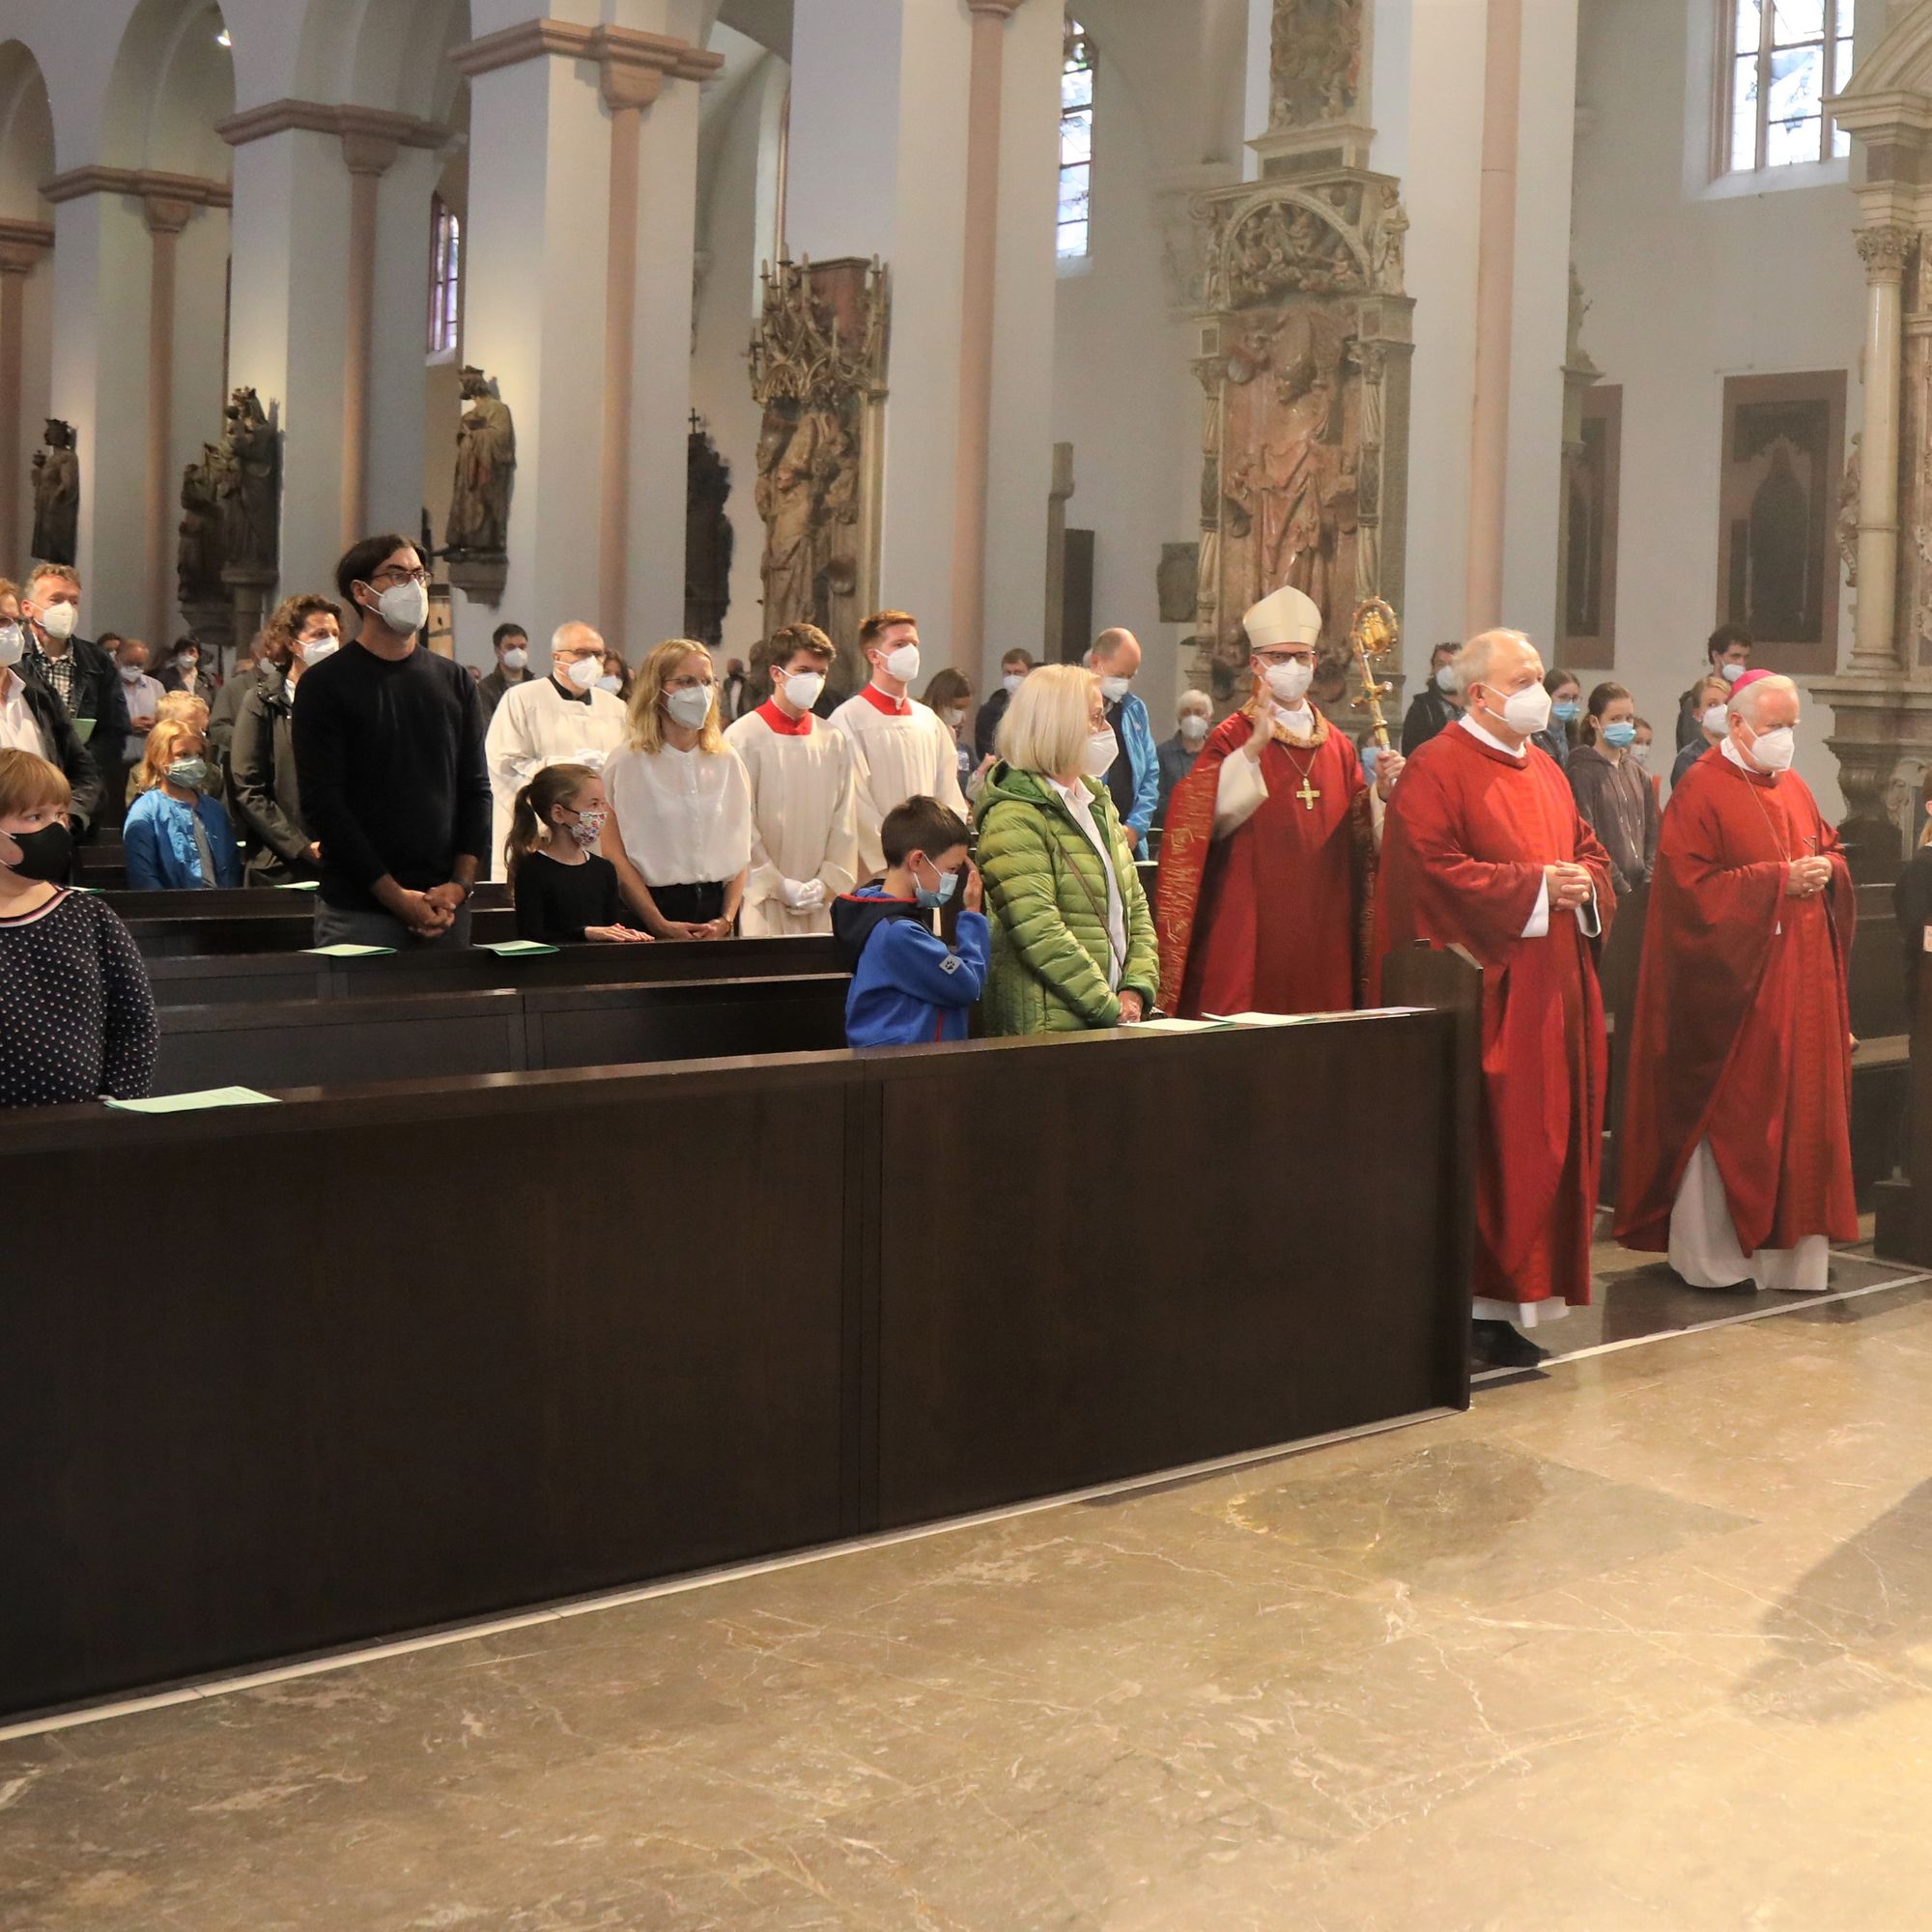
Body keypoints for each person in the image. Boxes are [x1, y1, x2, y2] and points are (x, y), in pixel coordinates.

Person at [1374, 628, 1614, 1369]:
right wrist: (1537, 888)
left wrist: (1584, 886)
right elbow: (1429, 874)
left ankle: (1515, 1304)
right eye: (1526, 678)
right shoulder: (1436, 768)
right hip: (1487, 992)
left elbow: (1590, 851)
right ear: (1479, 694)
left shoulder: (1545, 768)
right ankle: (1469, 1303)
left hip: (1555, 989)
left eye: (1541, 676)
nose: (1540, 691)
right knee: (1493, 1148)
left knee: (1543, 1149)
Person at [1615, 671, 1855, 1293]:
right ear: (1738, 723)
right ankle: (1718, 1257)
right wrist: (1777, 882)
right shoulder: (1701, 791)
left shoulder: (1796, 787)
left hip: (1800, 989)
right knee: (1739, 1112)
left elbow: (1830, 849)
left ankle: (1789, 1261)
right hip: (1734, 999)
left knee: (1798, 1117)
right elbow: (1688, 894)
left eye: (1793, 726)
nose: (1787, 739)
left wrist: (1826, 869)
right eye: (1776, 727)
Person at [1158, 585, 1404, 1018]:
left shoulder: (1338, 747)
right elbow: (1194, 821)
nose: (1293, 666)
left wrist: (1381, 792)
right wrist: (1252, 751)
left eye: (1302, 657)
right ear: (1256, 664)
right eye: (1279, 657)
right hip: (1252, 921)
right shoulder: (1231, 736)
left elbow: (1359, 835)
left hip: (1323, 921)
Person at [292, 533, 492, 949]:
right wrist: (394, 896)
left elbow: (476, 790)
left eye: (419, 575)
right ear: (361, 592)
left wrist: (460, 885)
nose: (414, 587)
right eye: (398, 575)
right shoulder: (325, 685)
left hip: (446, 905)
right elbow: (324, 805)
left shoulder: (455, 681)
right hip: (360, 909)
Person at [976, 663, 1159, 1034]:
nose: (1106, 729)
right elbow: (1039, 929)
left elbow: (1134, 906)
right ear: (1057, 726)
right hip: (1050, 1024)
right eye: (1094, 718)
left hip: (1112, 1016)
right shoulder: (1014, 815)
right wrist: (1108, 1005)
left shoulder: (1097, 802)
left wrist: (1136, 988)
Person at [0, 748, 157, 1107]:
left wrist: (115, 1100)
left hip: (80, 1127)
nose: (54, 829)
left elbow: (134, 1022)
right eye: (35, 816)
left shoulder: (88, 917)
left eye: (60, 815)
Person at [602, 637, 753, 939]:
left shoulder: (726, 758)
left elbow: (739, 847)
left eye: (707, 681)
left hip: (714, 913)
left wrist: (727, 918)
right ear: (656, 690)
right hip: (649, 910)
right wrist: (657, 922)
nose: (700, 691)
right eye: (685, 681)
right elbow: (614, 853)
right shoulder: (627, 761)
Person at [724, 622, 859, 937]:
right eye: (803, 670)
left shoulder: (833, 740)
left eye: (821, 673)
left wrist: (826, 882)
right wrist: (776, 883)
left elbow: (845, 820)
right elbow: (739, 822)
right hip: (765, 900)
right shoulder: (743, 738)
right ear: (776, 674)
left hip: (819, 900)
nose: (813, 681)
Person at [833, 796, 988, 1046]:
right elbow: (968, 985)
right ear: (917, 861)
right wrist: (972, 914)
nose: (954, 880)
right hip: (908, 1068)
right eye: (951, 869)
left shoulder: (876, 912)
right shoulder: (899, 934)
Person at [830, 610, 969, 881]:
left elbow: (948, 792)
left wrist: (939, 852)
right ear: (874, 656)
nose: (911, 652)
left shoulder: (928, 720)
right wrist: (895, 860)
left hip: (929, 867)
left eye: (914, 644)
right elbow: (855, 802)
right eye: (899, 645)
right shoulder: (848, 721)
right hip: (876, 871)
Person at [483, 621, 629, 880]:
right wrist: (564, 769)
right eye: (583, 653)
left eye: (598, 654)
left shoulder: (616, 708)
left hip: (599, 841)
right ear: (556, 657)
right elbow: (504, 765)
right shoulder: (522, 699)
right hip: (541, 837)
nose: (593, 661)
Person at [231, 593, 338, 884]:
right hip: (280, 863)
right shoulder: (262, 701)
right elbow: (249, 788)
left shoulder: (347, 699)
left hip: (342, 858)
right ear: (292, 643)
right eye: (319, 634)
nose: (330, 642)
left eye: (334, 634)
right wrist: (300, 845)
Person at [0, 582, 100, 845]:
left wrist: (67, 818)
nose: (11, 632)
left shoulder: (38, 694)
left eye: (16, 622)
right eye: (1, 621)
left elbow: (84, 771)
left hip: (42, 855)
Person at [506, 762, 649, 947]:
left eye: (603, 804)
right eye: (594, 804)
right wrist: (585, 933)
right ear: (559, 813)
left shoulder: (603, 869)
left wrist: (625, 934)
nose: (601, 814)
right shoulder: (533, 870)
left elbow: (611, 928)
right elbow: (531, 937)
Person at [20, 561, 128, 789]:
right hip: (21, 783)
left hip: (78, 788)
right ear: (28, 608)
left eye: (73, 601)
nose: (66, 608)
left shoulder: (97, 661)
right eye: (56, 599)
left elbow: (114, 731)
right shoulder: (15, 659)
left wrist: (76, 769)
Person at [124, 720, 242, 890]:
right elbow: (143, 875)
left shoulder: (214, 809)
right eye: (183, 755)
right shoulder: (146, 811)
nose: (193, 761)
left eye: (198, 755)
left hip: (220, 904)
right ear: (159, 758)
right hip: (172, 908)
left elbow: (230, 865)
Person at [1566, 680, 1658, 899]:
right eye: (1615, 719)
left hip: (1641, 889)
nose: (1624, 725)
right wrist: (1617, 882)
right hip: (1605, 889)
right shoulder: (1581, 772)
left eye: (1628, 718)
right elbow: (1587, 835)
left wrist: (1649, 878)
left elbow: (1652, 832)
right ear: (1595, 721)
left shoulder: (1638, 773)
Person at [1085, 627, 1158, 855]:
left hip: (1130, 839)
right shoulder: (1074, 707)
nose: (1124, 684)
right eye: (1119, 676)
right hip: (1089, 834)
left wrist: (1136, 827)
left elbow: (1150, 773)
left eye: (1130, 677)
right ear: (1096, 662)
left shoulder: (1135, 709)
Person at [1675, 624, 1752, 752]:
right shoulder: (1696, 700)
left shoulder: (1742, 699)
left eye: (1745, 657)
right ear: (1716, 656)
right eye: (1735, 656)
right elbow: (1694, 748)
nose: (1741, 663)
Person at [205, 629, 264, 780]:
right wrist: (246, 739)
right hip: (242, 766)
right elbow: (217, 726)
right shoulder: (234, 688)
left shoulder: (287, 685)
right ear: (257, 654)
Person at [113, 639, 163, 810]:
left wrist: (155, 724)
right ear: (117, 659)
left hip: (147, 764)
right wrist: (126, 725)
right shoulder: (108, 686)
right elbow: (99, 720)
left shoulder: (155, 686)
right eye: (129, 663)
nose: (134, 668)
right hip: (117, 762)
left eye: (139, 664)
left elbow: (167, 720)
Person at [1156, 689, 1212, 822]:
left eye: (1199, 713)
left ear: (1209, 718)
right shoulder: (1162, 754)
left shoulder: (1217, 754)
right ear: (1179, 718)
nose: (1193, 718)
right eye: (1186, 713)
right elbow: (1154, 799)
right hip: (1171, 831)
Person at [1401, 641, 1465, 753]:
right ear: (1433, 668)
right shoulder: (1421, 707)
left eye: (1453, 664)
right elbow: (1411, 753)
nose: (1447, 670)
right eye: (1441, 664)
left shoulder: (1474, 707)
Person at [1670, 673, 1732, 790]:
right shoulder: (1689, 759)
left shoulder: (1742, 754)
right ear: (1697, 714)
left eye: (1727, 703)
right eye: (1712, 704)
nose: (1722, 710)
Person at [923, 667, 977, 795]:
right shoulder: (922, 729)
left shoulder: (952, 736)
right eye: (958, 708)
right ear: (940, 701)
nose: (963, 717)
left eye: (965, 708)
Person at [974, 647, 1033, 762]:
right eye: (1008, 673)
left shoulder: (1037, 708)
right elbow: (985, 749)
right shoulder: (990, 710)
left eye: (1018, 672)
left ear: (1029, 673)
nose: (1012, 678)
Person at [476, 623, 532, 724]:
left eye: (522, 647)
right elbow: (487, 728)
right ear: (498, 651)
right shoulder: (485, 689)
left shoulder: (535, 685)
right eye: (510, 647)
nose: (518, 652)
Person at [1533, 667, 1580, 770]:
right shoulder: (1534, 734)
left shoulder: (1574, 731)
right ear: (1547, 696)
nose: (1570, 703)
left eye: (1574, 698)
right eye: (1563, 697)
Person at [156, 637, 216, 705]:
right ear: (176, 655)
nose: (187, 655)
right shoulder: (165, 677)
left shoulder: (207, 679)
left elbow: (215, 705)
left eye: (191, 651)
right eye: (182, 651)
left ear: (198, 654)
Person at [720, 657, 750, 724]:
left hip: (745, 718)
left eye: (731, 671)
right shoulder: (727, 682)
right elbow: (726, 701)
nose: (728, 672)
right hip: (731, 720)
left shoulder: (747, 683)